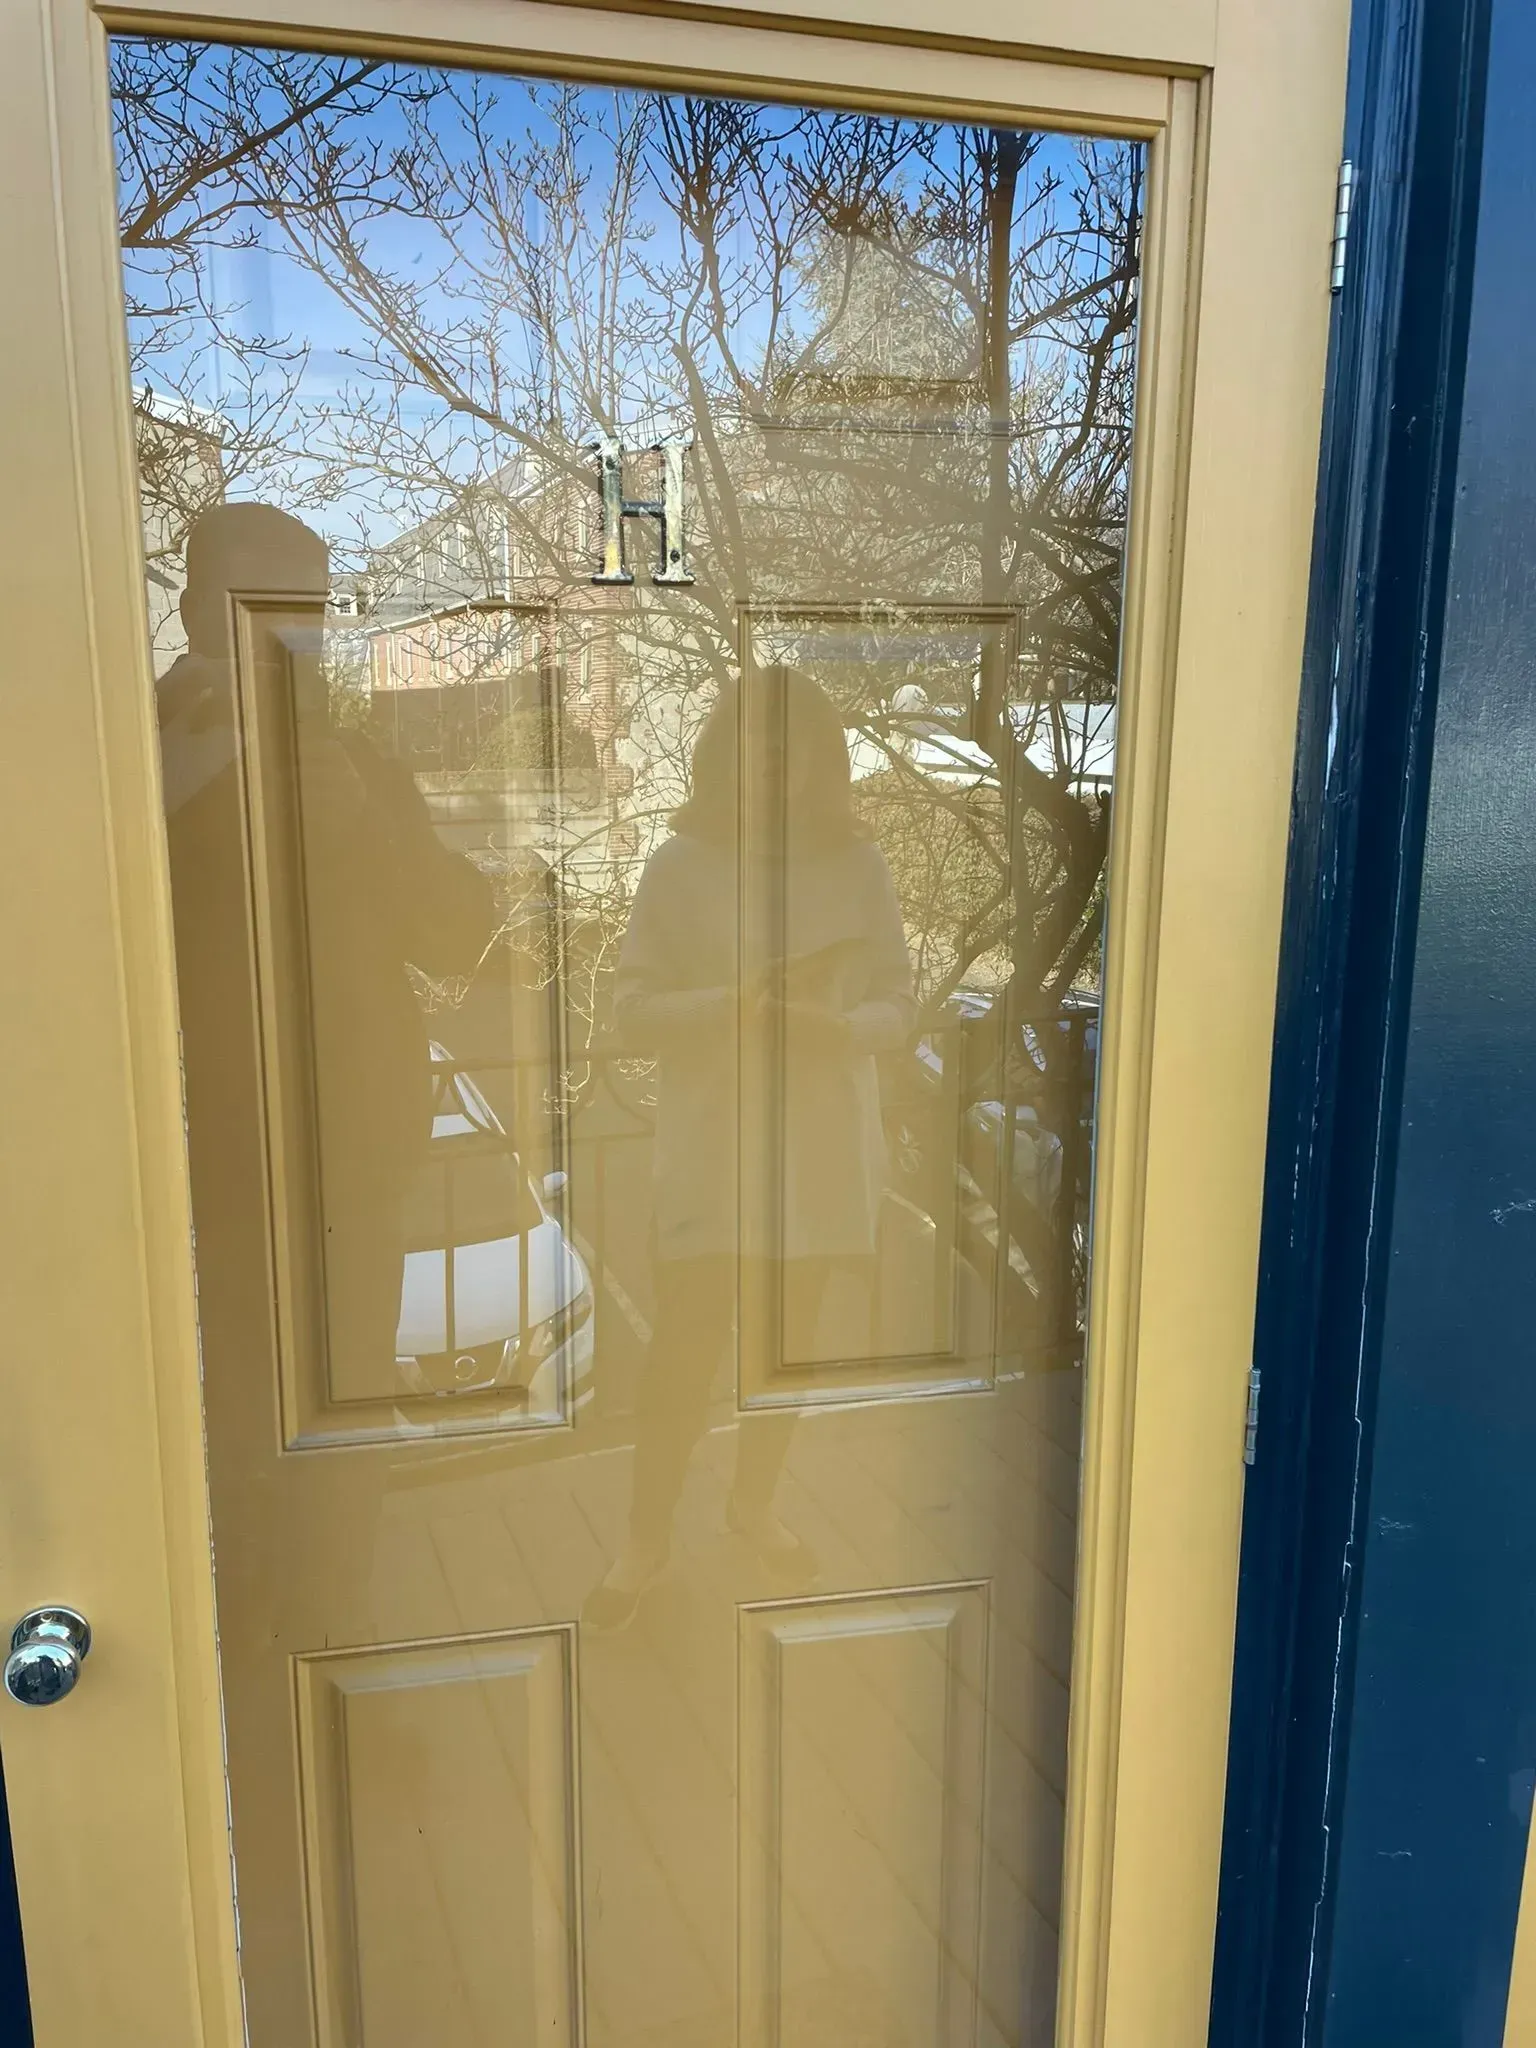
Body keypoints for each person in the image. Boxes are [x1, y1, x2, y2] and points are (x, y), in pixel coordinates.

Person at [584, 666, 916, 1628]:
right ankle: (645, 1539)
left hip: (819, 1155)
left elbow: (898, 1002)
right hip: (713, 1156)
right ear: (720, 755)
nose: (772, 760)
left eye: (791, 742)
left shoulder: (859, 866)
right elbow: (631, 1010)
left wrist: (840, 1029)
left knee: (788, 1356)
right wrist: (732, 1007)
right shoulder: (676, 867)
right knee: (680, 1360)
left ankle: (752, 1506)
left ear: (822, 757)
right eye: (752, 741)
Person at [159, 502, 496, 1398]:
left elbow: (457, 938)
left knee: (351, 1398)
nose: (288, 634)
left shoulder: (354, 766)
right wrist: (175, 780)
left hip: (352, 1160)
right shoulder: (128, 753)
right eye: (256, 606)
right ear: (195, 614)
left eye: (306, 609)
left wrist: (371, 831)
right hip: (189, 1168)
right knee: (214, 1412)